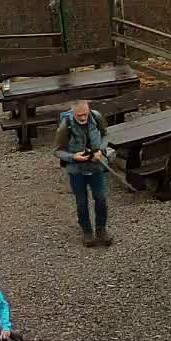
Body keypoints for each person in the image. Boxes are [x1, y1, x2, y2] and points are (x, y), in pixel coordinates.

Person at [54, 99, 113, 246]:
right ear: (73, 113)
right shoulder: (65, 126)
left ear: (89, 111)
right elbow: (57, 151)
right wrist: (73, 157)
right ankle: (87, 231)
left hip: (96, 167)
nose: (82, 117)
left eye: (85, 114)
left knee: (101, 198)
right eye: (79, 115)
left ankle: (101, 229)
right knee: (81, 202)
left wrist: (101, 150)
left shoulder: (97, 117)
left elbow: (106, 135)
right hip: (76, 170)